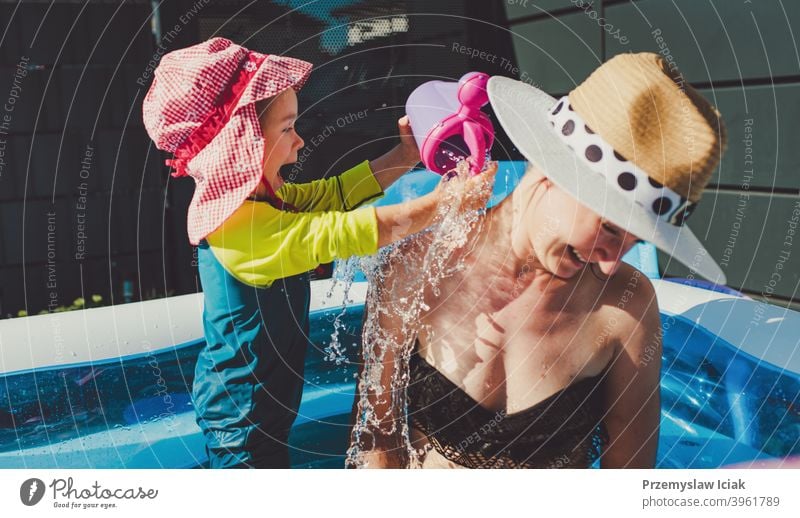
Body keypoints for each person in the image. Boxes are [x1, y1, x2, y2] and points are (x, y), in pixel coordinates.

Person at [351, 52, 728, 468]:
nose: (610, 264)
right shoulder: (414, 269)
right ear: (555, 169)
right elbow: (377, 436)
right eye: (610, 228)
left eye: (634, 241)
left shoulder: (627, 304)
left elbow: (630, 480)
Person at [142, 37, 496, 468]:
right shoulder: (240, 230)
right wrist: (440, 205)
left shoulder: (267, 202)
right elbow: (342, 231)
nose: (300, 141)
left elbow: (334, 196)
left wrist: (402, 156)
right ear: (243, 143)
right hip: (241, 424)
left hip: (258, 411)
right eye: (287, 128)